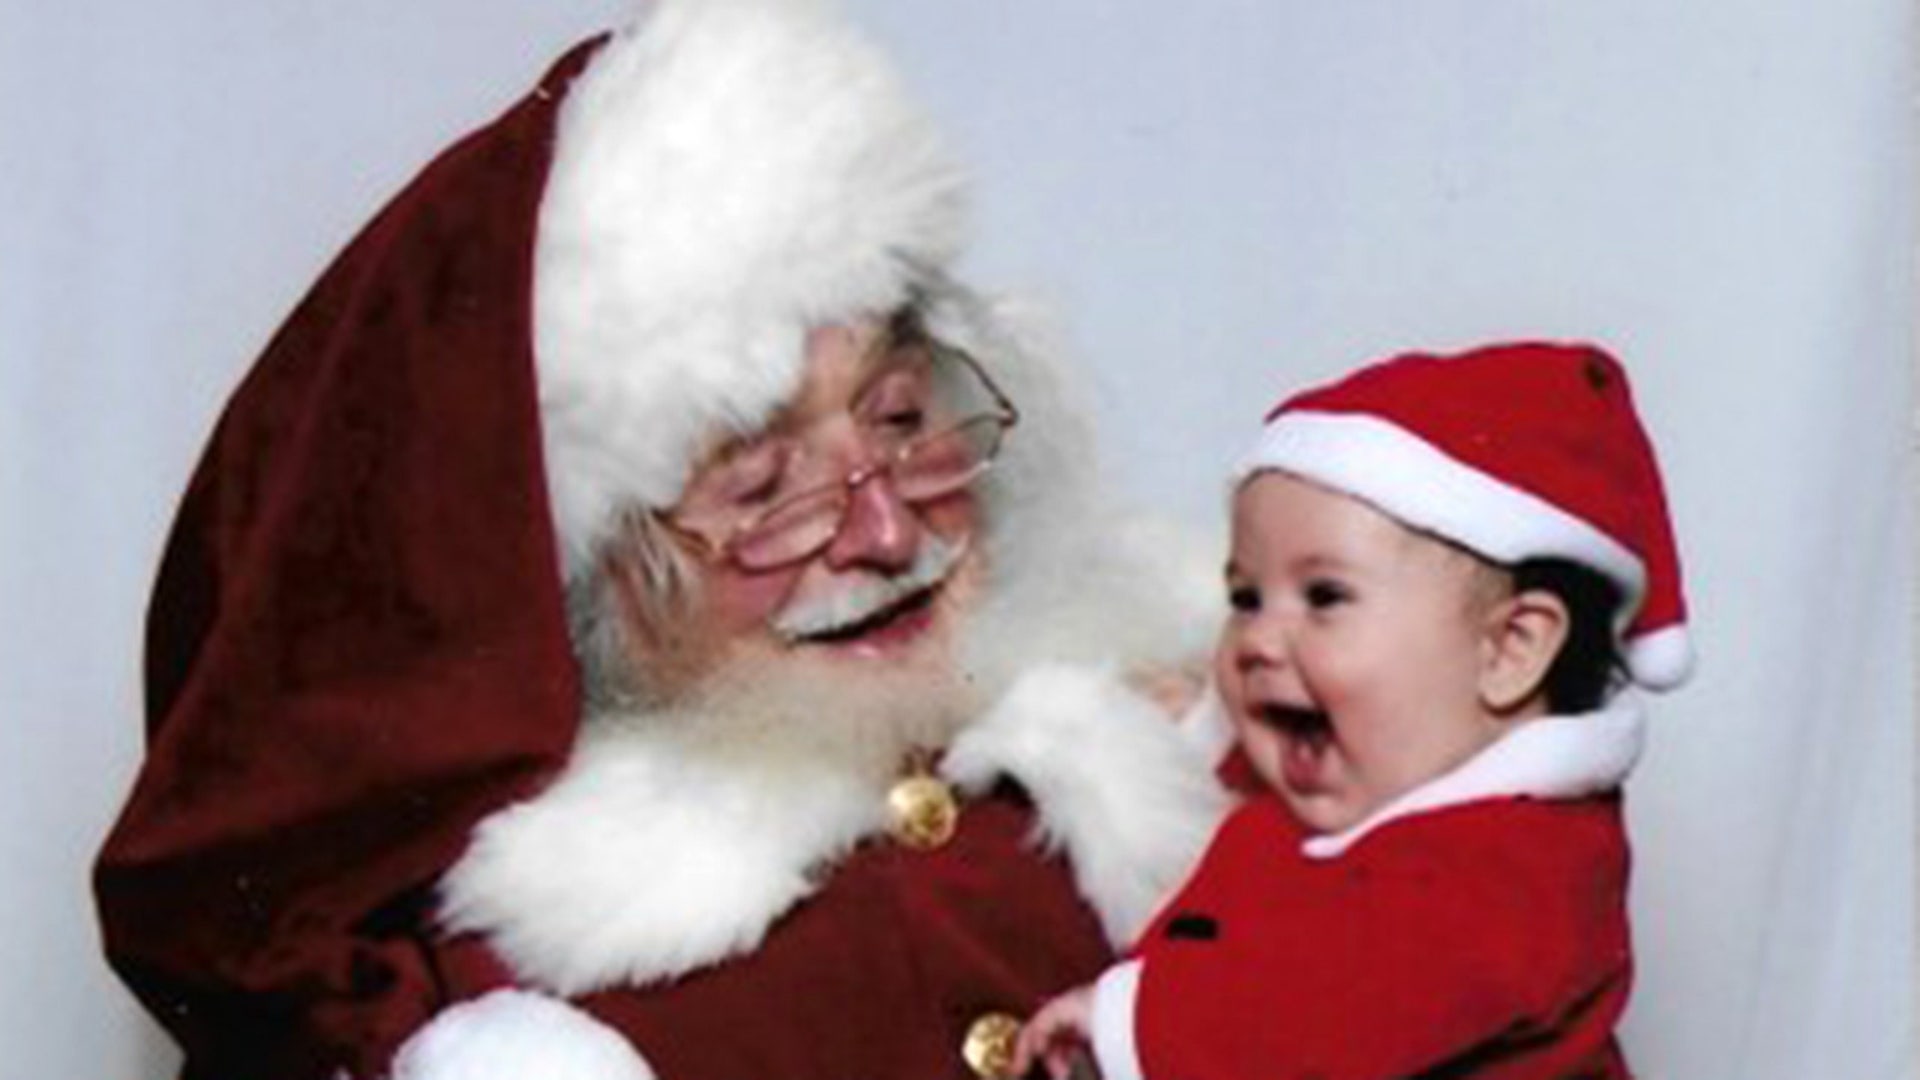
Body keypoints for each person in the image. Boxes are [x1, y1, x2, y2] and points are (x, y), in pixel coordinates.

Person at [91, 2, 1231, 1078]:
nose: (887, 532)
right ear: (588, 576)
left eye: (900, 418)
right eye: (766, 491)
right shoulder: (502, 1008)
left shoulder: (1195, 728)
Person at [1013, 341, 1695, 1080]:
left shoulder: (1517, 871)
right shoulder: (1355, 784)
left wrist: (1124, 1026)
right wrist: (1166, 731)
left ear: (1508, 649)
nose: (1257, 640)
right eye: (1246, 597)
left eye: (1325, 596)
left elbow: (1322, 1011)